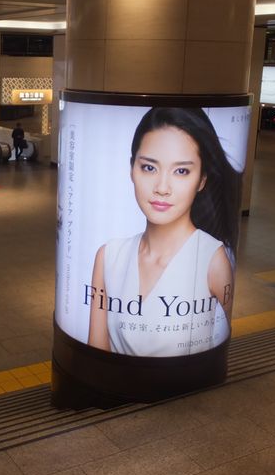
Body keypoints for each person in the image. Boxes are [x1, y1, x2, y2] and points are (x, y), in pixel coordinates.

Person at [87, 107, 241, 357]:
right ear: (132, 169)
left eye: (181, 171)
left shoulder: (212, 259)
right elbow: (97, 358)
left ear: (201, 179)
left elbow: (221, 348)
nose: (161, 188)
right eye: (149, 168)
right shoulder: (109, 257)